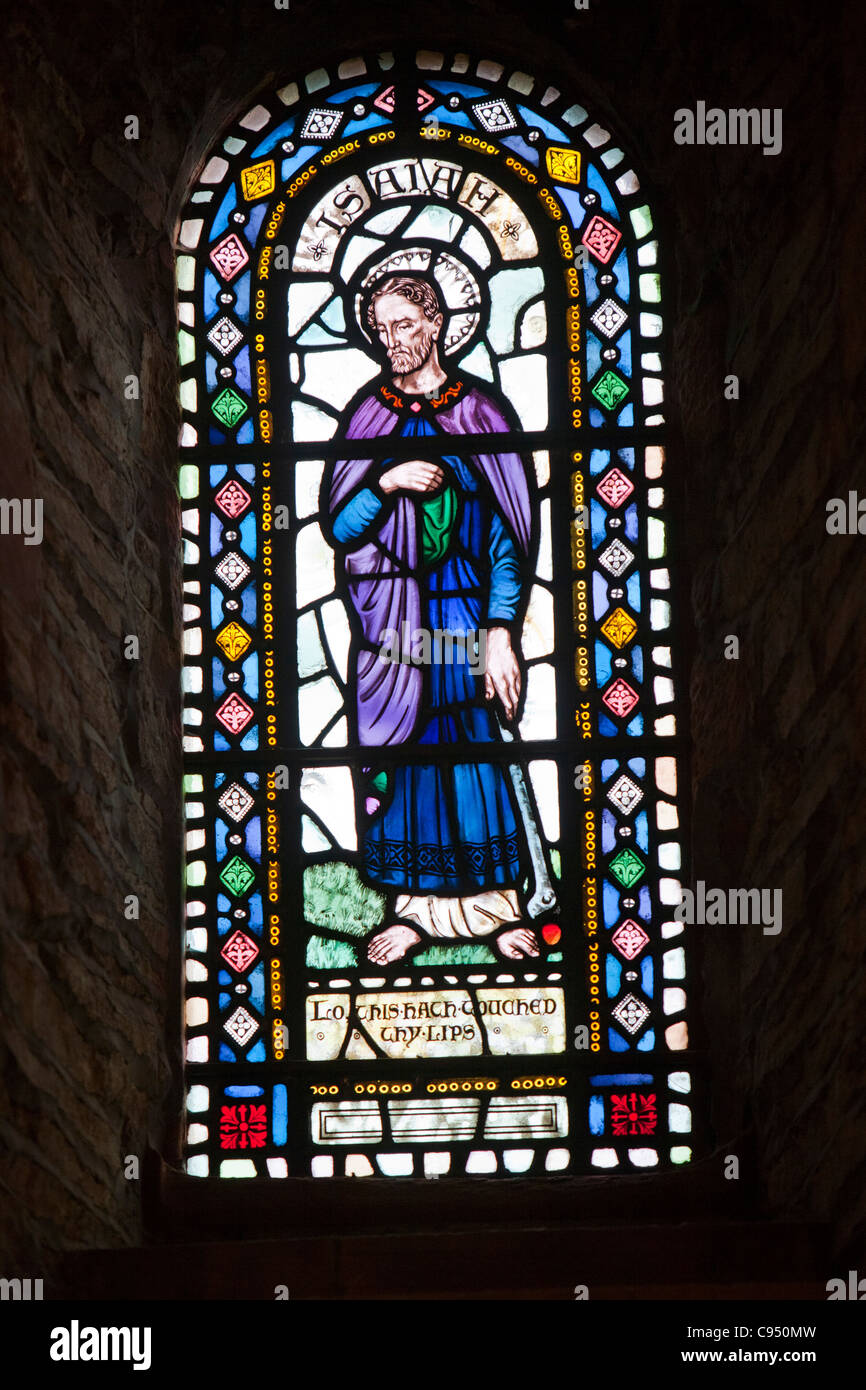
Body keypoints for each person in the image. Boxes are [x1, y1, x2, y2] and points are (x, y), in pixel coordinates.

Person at [322, 274, 541, 963]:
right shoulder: (368, 418)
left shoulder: (481, 414)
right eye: (381, 330)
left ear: (438, 325)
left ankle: (501, 907)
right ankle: (413, 911)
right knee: (411, 756)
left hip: (464, 612)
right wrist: (386, 480)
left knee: (474, 745)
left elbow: (507, 536)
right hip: (394, 624)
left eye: (405, 326)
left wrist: (502, 630)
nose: (393, 342)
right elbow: (342, 528)